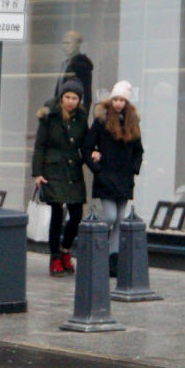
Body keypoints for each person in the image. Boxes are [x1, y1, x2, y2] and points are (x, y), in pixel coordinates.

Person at [85, 80, 143, 276]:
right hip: (106, 177)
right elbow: (86, 147)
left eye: (122, 100)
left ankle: (113, 261)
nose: (118, 103)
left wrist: (133, 169)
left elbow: (138, 150)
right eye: (115, 99)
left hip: (124, 178)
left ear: (127, 103)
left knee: (120, 219)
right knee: (109, 216)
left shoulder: (132, 123)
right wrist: (97, 168)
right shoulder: (101, 121)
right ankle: (93, 247)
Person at [31, 78, 89, 276]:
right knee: (57, 213)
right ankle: (55, 256)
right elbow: (40, 146)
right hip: (53, 169)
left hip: (73, 170)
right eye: (67, 97)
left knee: (76, 214)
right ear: (61, 97)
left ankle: (66, 250)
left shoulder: (81, 117)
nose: (71, 101)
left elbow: (86, 143)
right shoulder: (50, 115)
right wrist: (37, 173)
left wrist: (94, 156)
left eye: (74, 98)